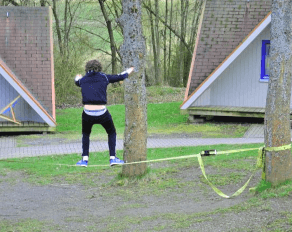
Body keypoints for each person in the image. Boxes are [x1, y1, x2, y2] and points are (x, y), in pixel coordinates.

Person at [74, 59, 134, 167]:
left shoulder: (83, 79)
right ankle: (112, 158)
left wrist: (77, 77)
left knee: (86, 134)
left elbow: (77, 82)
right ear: (99, 68)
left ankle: (84, 160)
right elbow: (120, 76)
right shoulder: (104, 77)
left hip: (87, 114)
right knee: (111, 132)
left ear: (87, 69)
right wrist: (130, 70)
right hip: (102, 113)